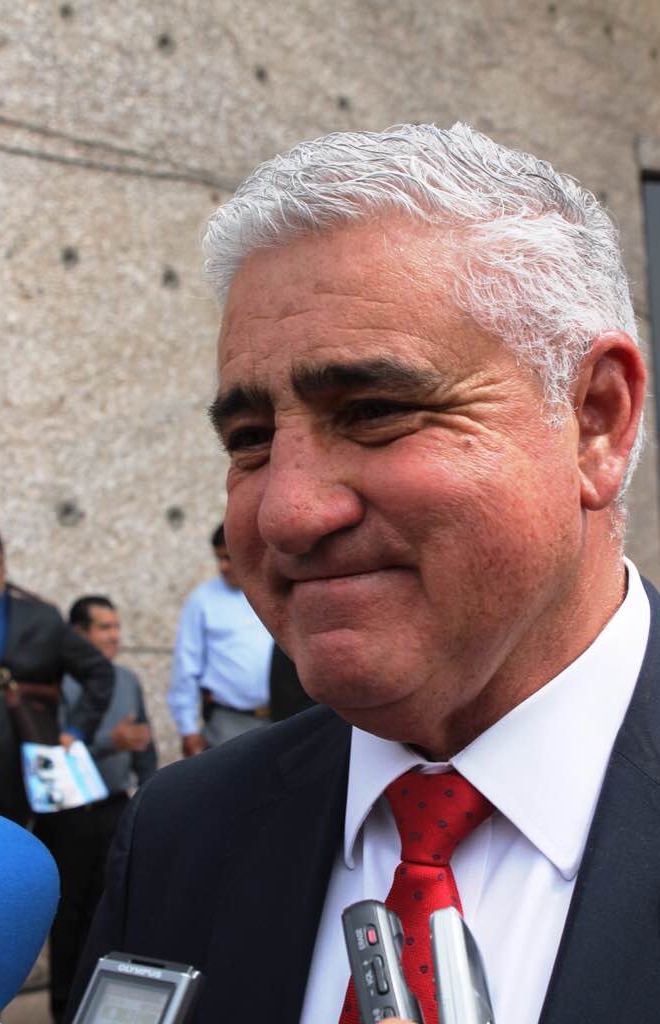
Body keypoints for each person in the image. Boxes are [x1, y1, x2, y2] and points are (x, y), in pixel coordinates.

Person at [68, 123, 654, 1024]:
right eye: (250, 440)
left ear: (595, 422)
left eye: (375, 411)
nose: (287, 512)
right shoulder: (183, 832)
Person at [36, 594, 158, 1024]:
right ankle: (63, 1008)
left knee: (110, 910)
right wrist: (110, 742)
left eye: (117, 627)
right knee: (68, 915)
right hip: (69, 814)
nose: (114, 636)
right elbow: (52, 753)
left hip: (114, 808)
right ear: (78, 634)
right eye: (104, 628)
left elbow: (143, 742)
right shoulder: (58, 683)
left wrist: (148, 793)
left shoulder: (126, 678)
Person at [0, 525, 113, 824]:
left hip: (16, 782)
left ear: (4, 566)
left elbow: (99, 671)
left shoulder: (40, 619)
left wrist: (76, 730)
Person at [167, 523, 274, 754]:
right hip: (228, 721)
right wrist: (188, 729)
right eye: (218, 558)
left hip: (285, 717)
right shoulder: (203, 600)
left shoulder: (276, 592)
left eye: (228, 558)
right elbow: (186, 666)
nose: (222, 567)